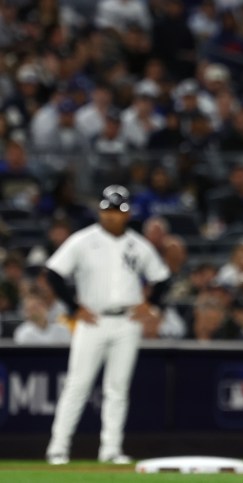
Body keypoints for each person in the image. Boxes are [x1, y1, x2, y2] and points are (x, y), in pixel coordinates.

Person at [44, 185, 171, 465]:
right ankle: (58, 448)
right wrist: (74, 307)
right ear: (101, 211)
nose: (113, 216)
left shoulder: (138, 244)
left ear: (127, 214)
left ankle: (111, 449)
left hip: (127, 321)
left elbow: (162, 278)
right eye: (109, 210)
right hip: (93, 320)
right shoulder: (83, 240)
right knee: (77, 385)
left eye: (119, 211)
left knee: (118, 388)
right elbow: (53, 273)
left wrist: (152, 306)